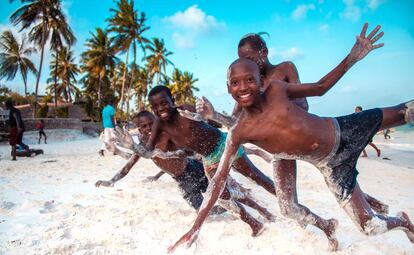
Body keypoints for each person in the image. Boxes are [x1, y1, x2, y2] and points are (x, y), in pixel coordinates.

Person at [168, 57, 414, 252]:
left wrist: (354, 56)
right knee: (370, 227)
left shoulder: (276, 90)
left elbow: (320, 88)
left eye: (250, 80)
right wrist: (195, 227)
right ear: (228, 88)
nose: (243, 87)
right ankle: (402, 221)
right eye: (235, 83)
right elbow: (218, 180)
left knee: (406, 112)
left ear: (261, 81)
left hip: (345, 129)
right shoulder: (239, 131)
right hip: (333, 166)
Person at [146, 86, 279, 236]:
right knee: (222, 197)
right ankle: (254, 224)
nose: (160, 108)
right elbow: (148, 149)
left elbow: (211, 120)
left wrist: (203, 115)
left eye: (164, 103)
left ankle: (285, 202)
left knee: (255, 176)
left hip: (223, 145)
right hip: (208, 158)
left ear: (173, 101)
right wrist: (132, 146)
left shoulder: (185, 109)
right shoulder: (159, 123)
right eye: (155, 106)